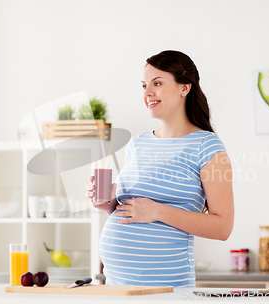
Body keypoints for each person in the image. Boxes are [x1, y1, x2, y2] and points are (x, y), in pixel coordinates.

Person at [86, 50, 234, 287]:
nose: (148, 93)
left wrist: (158, 211)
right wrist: (109, 206)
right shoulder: (137, 144)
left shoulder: (207, 146)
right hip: (117, 286)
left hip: (167, 289)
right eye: (144, 85)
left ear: (184, 87)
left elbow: (223, 227)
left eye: (157, 83)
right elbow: (131, 212)